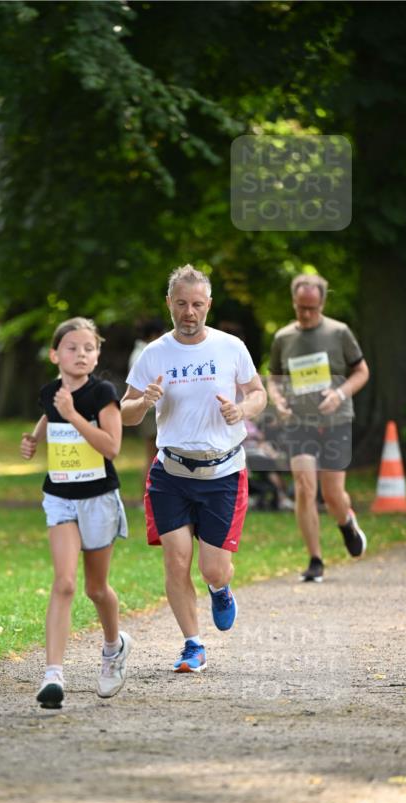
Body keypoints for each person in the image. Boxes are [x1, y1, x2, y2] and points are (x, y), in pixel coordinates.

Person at [121, 264, 267, 673]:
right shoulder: (154, 354)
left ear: (208, 305)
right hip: (171, 474)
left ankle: (220, 588)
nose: (189, 312)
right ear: (169, 303)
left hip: (222, 473)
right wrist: (143, 402)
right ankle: (192, 644)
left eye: (197, 304)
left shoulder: (230, 347)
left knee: (212, 566)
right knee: (176, 558)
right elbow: (126, 413)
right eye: (181, 304)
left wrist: (243, 408)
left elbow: (258, 393)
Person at [21, 317, 132, 708]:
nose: (81, 354)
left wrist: (73, 416)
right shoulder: (51, 393)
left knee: (95, 588)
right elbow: (48, 413)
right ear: (55, 355)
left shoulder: (102, 393)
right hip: (60, 497)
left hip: (98, 497)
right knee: (64, 582)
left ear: (97, 354)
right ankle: (53, 675)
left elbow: (111, 447)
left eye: (89, 348)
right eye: (72, 348)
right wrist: (35, 438)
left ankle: (113, 647)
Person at [268, 273, 370, 582]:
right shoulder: (283, 338)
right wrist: (278, 401)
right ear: (294, 303)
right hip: (300, 422)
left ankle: (346, 522)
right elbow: (274, 377)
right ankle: (315, 559)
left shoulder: (339, 333)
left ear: (322, 303)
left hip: (336, 420)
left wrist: (339, 393)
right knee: (303, 486)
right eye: (301, 308)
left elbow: (361, 371)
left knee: (332, 493)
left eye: (312, 308)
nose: (306, 314)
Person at [128, 318, 166, 486]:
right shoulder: (144, 354)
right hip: (149, 411)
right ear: (153, 335)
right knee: (153, 456)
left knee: (152, 455)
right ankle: (147, 493)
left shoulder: (142, 351)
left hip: (149, 410)